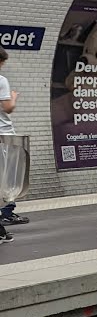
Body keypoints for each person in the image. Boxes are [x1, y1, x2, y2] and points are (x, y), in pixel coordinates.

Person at [0, 46, 25, 242]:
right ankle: (4, 216)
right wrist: (14, 97)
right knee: (5, 180)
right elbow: (8, 108)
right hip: (3, 137)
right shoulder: (1, 80)